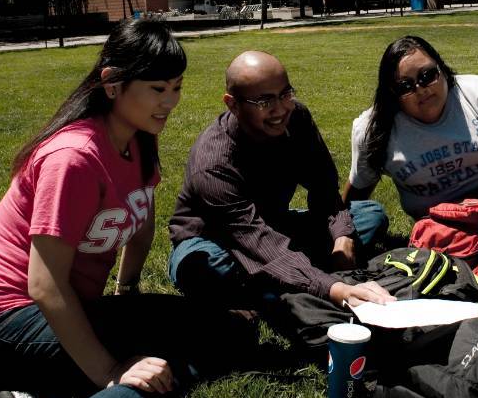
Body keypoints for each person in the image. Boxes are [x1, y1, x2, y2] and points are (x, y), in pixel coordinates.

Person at [0, 21, 246, 398]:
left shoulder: (136, 142)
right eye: (157, 89)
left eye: (176, 88)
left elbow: (141, 217)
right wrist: (109, 371)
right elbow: (44, 284)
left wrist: (128, 292)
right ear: (112, 83)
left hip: (61, 312)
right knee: (165, 361)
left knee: (223, 332)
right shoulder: (73, 157)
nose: (170, 101)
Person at [168, 50, 394, 337]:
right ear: (232, 104)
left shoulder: (296, 118)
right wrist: (333, 288)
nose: (280, 109)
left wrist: (342, 237)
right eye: (264, 101)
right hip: (217, 240)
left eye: (285, 93)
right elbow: (254, 239)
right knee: (202, 269)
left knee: (369, 215)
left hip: (275, 224)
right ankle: (292, 274)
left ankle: (281, 277)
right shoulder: (213, 163)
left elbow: (324, 188)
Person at [343, 35, 478, 221]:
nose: (420, 89)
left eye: (427, 75)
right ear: (391, 94)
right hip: (442, 229)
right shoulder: (373, 130)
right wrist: (340, 231)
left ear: (442, 68)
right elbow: (357, 195)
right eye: (405, 86)